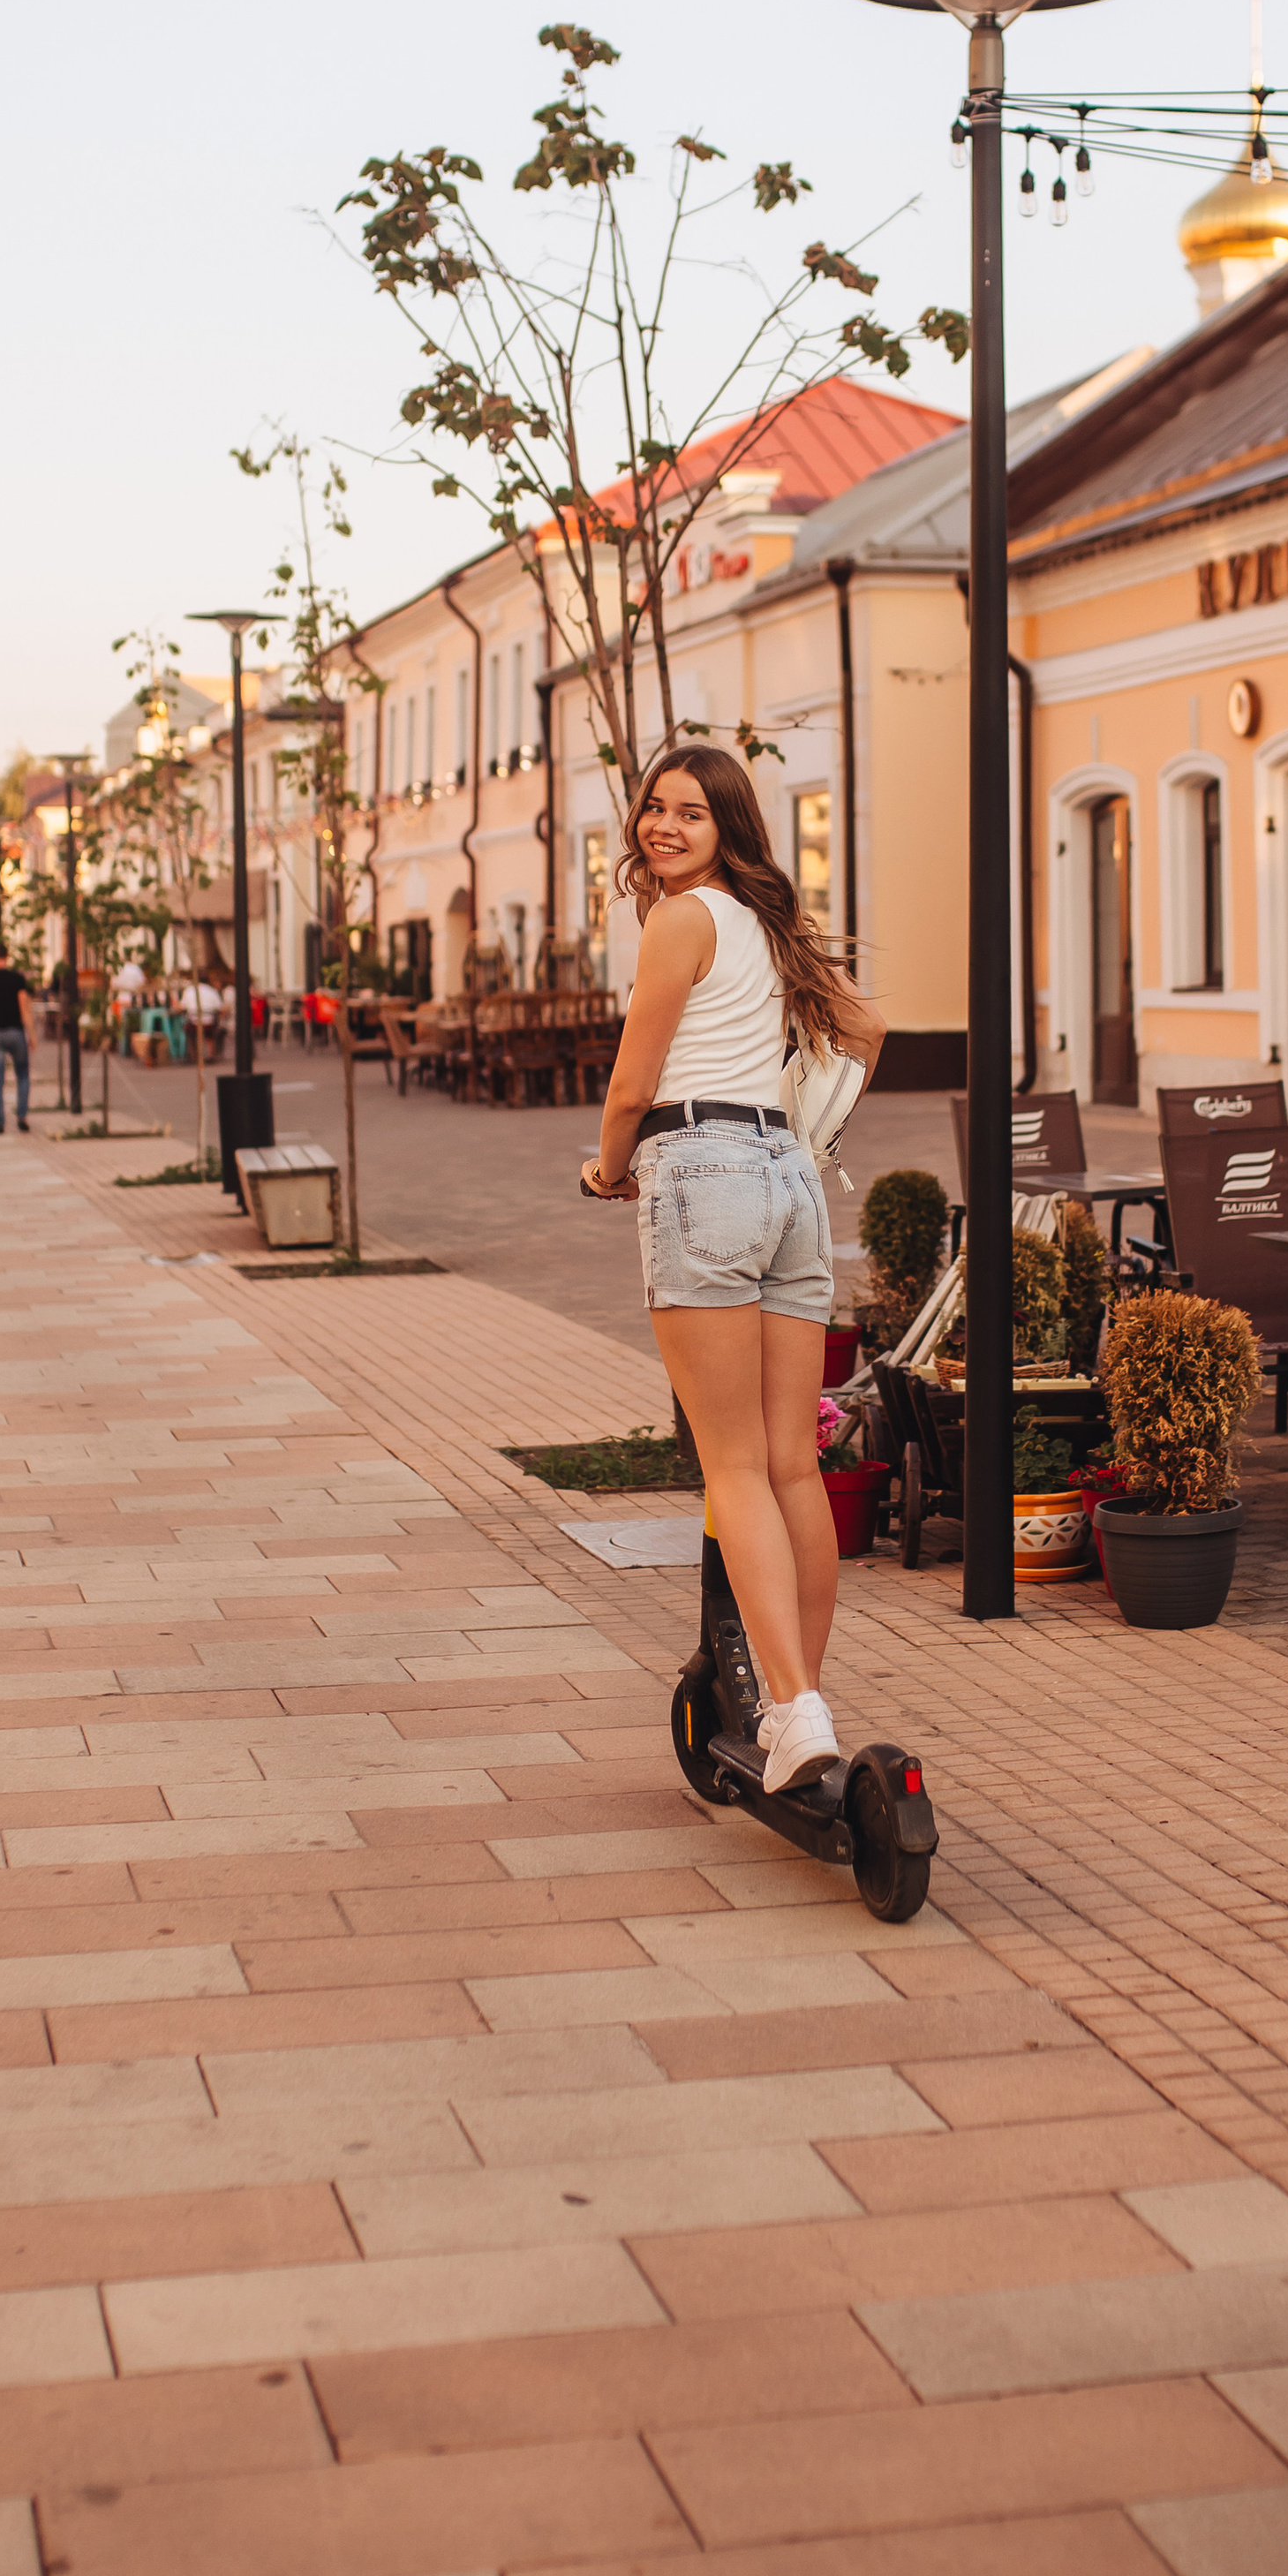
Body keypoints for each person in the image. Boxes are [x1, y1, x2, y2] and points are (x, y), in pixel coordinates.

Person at [581, 745, 885, 1793]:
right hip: (790, 1178)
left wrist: (605, 1169)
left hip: (699, 1170)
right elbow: (867, 1030)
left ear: (726, 831)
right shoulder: (768, 923)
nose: (663, 826)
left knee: (737, 1469)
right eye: (653, 808)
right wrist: (804, 1125)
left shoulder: (680, 919)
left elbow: (632, 1084)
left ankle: (792, 1710)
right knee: (793, 1465)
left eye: (691, 814)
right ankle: (801, 1695)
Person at [0, 943, 36, 1132]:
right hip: (15, 1031)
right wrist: (31, 1034)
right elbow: (24, 1007)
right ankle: (21, 1115)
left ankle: (0, 1122)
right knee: (23, 1074)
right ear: (8, 956)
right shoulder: (17, 979)